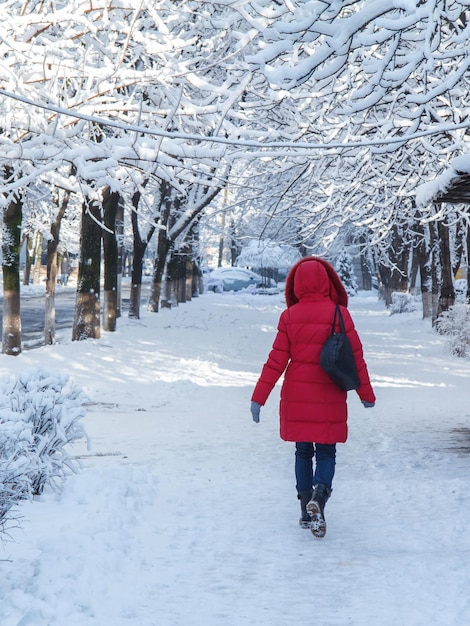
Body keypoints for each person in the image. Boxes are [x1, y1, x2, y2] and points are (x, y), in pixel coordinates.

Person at [250, 256, 376, 538]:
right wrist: (365, 394)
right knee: (327, 452)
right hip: (330, 393)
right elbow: (356, 358)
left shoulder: (289, 316)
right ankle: (319, 496)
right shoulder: (339, 314)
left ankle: (305, 511)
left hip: (297, 395)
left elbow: (275, 361)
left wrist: (259, 398)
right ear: (326, 281)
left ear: (296, 285)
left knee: (303, 452)